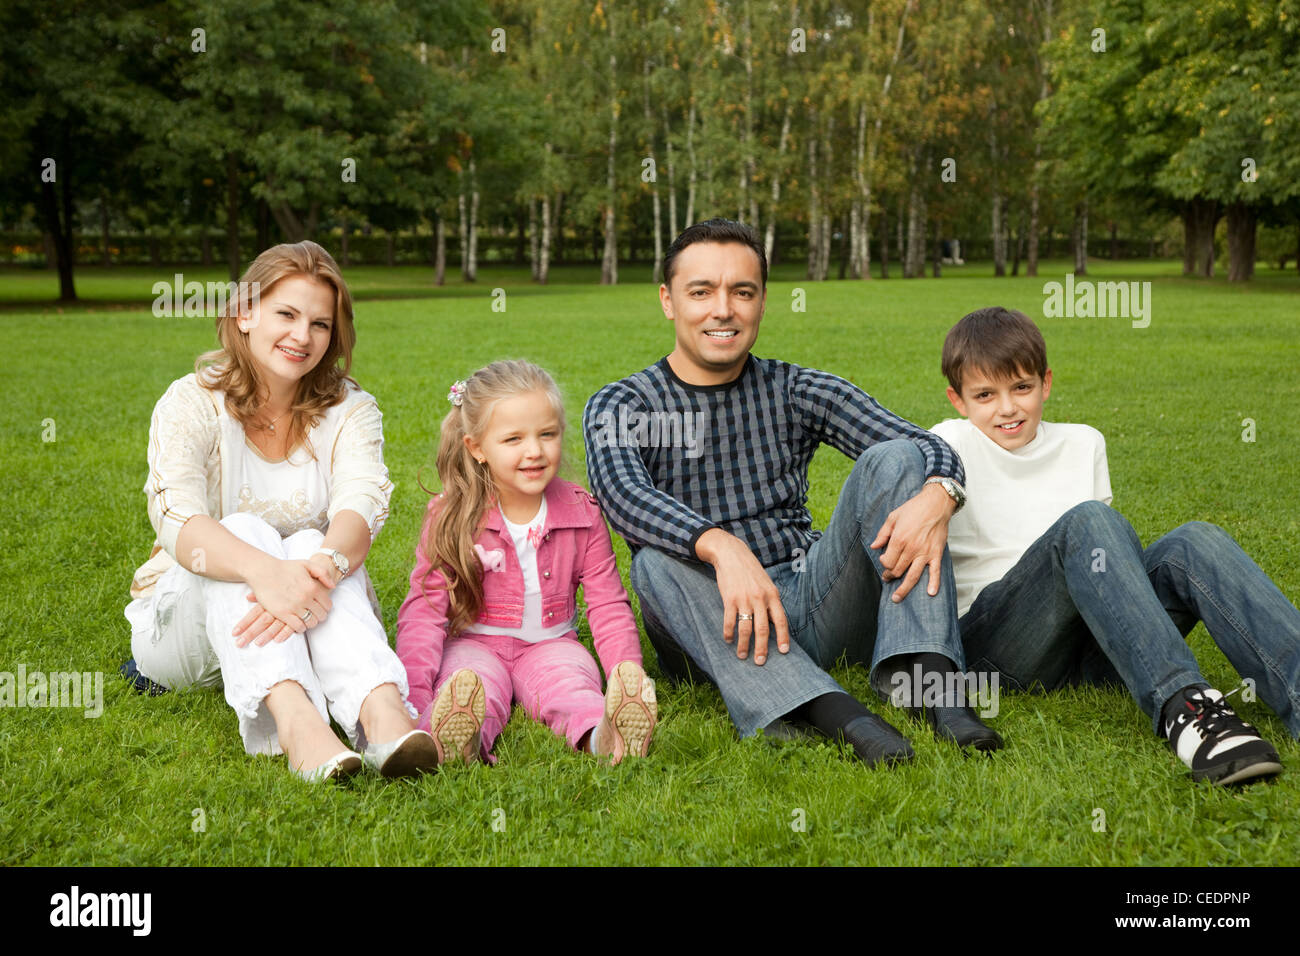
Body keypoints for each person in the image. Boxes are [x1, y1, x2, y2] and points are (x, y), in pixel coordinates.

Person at [582, 218, 1000, 767]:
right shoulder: (623, 404)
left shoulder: (795, 387)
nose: (723, 309)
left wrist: (941, 492)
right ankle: (837, 714)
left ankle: (930, 684)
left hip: (808, 593)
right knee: (654, 564)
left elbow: (920, 443)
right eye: (701, 292)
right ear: (668, 300)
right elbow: (623, 495)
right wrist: (722, 547)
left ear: (761, 301)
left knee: (899, 459)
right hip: (710, 617)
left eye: (742, 292)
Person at [931, 306, 1296, 785]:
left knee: (1193, 542)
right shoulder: (947, 442)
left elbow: (1104, 567)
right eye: (985, 395)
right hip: (999, 648)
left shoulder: (1084, 444)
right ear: (958, 400)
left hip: (1092, 647)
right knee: (1087, 521)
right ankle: (1189, 712)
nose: (1007, 408)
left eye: (1021, 387)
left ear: (1046, 383)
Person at [124, 241, 438, 783]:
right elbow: (177, 518)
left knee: (316, 545)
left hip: (312, 607)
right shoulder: (191, 401)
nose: (302, 336)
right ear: (245, 314)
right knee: (242, 531)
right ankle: (298, 725)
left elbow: (360, 506)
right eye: (286, 314)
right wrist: (264, 573)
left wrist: (318, 568)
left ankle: (384, 715)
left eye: (320, 324)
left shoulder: (351, 409)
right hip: (187, 633)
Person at [396, 360, 657, 765]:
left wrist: (627, 673)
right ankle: (455, 743)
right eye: (513, 439)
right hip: (474, 646)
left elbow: (607, 604)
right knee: (472, 690)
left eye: (547, 434)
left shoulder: (582, 513)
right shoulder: (451, 516)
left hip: (552, 645)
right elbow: (425, 610)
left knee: (571, 688)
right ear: (477, 448)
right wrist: (412, 698)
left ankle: (605, 736)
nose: (534, 451)